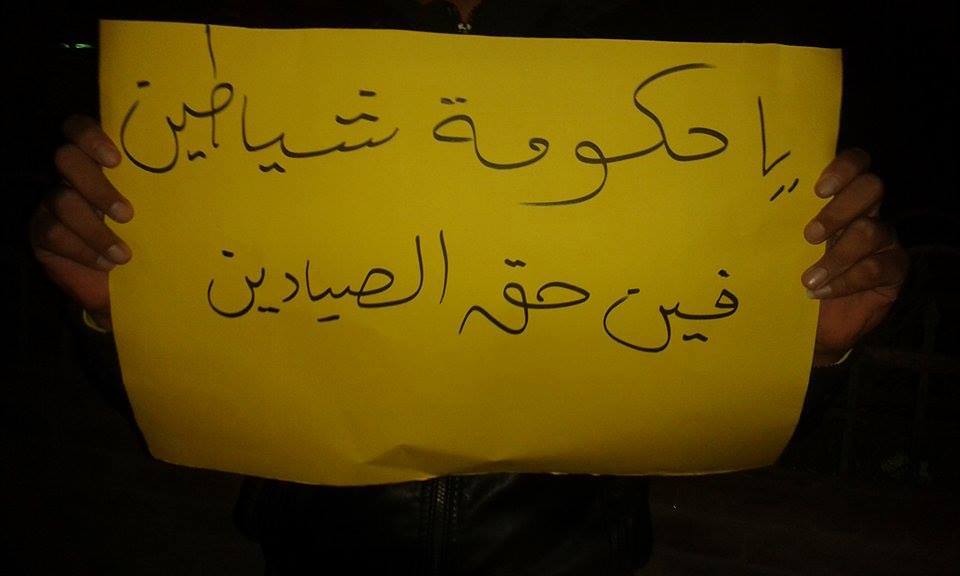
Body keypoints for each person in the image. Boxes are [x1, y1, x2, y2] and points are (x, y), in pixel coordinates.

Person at [29, 1, 910, 574]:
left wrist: (812, 346)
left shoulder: (667, 55)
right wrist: (114, 310)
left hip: (579, 561)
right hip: (311, 555)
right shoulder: (262, 45)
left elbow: (723, 405)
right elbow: (176, 396)